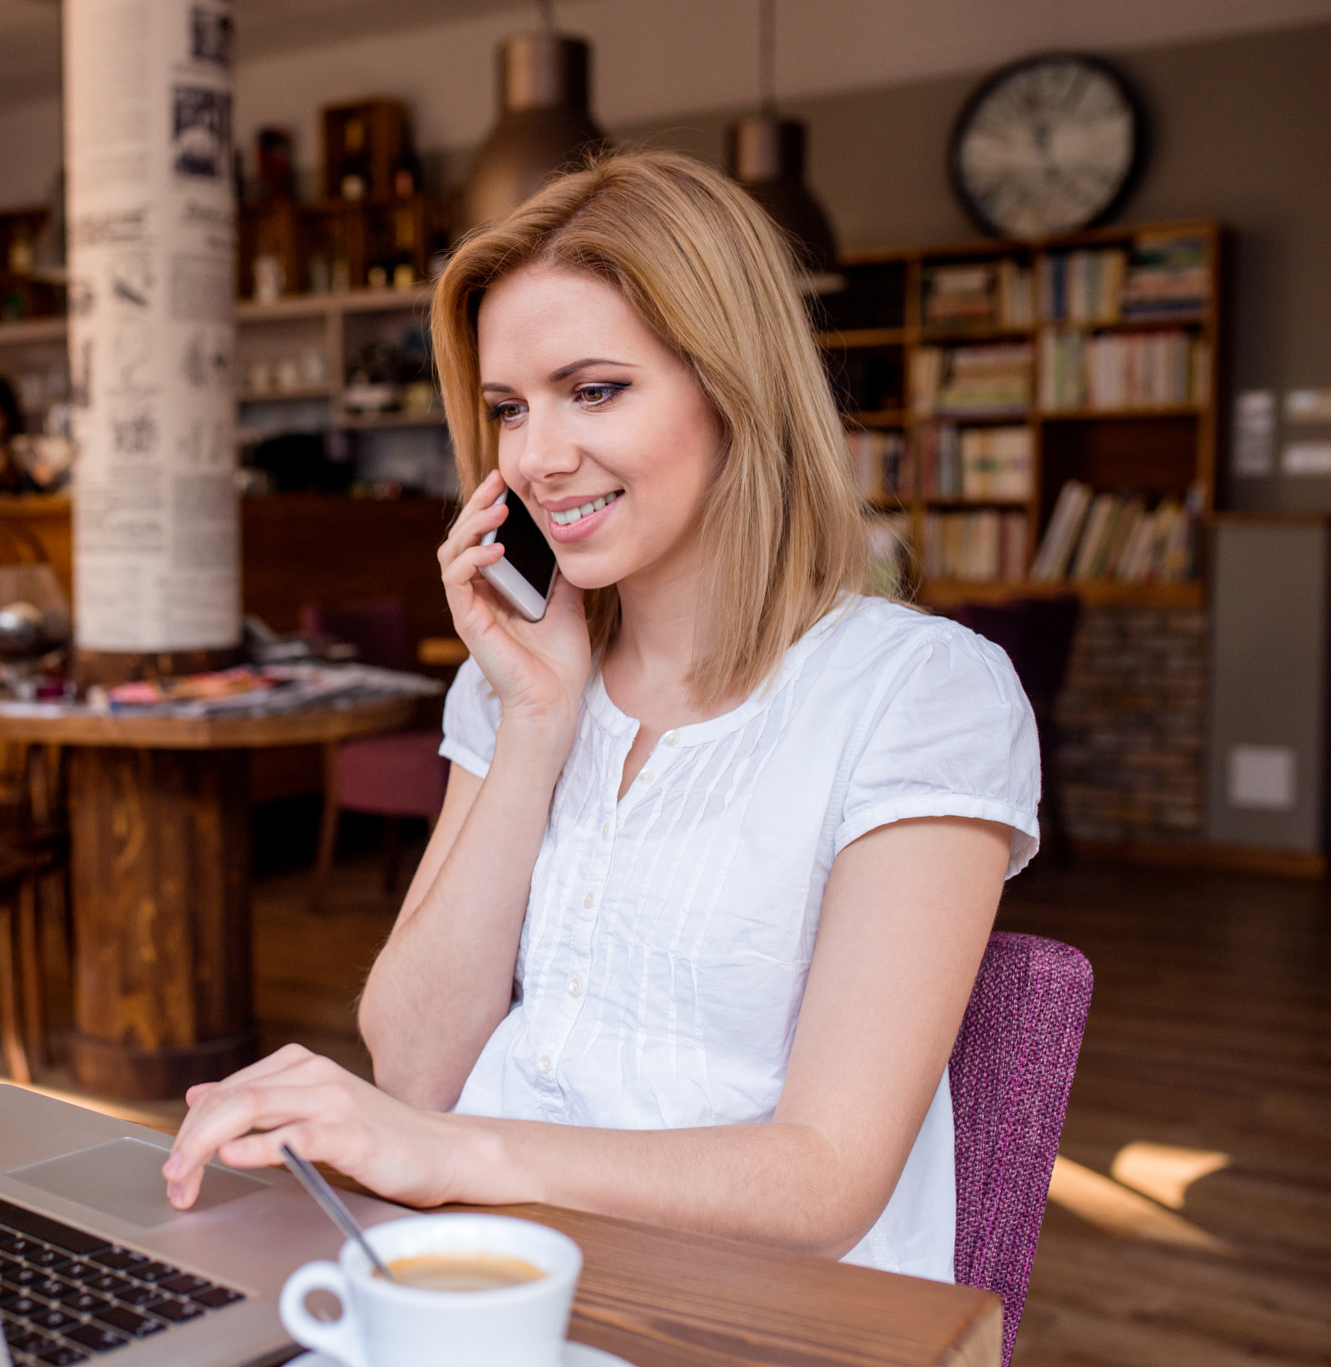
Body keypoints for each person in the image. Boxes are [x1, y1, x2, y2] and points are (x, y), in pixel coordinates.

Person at [162, 151, 1040, 1284]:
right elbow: (417, 1062)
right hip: (486, 1274)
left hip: (748, 1317)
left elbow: (825, 1180)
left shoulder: (917, 693)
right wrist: (534, 718)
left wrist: (451, 1152)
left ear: (732, 385)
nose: (533, 456)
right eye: (505, 409)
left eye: (592, 390)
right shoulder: (514, 678)